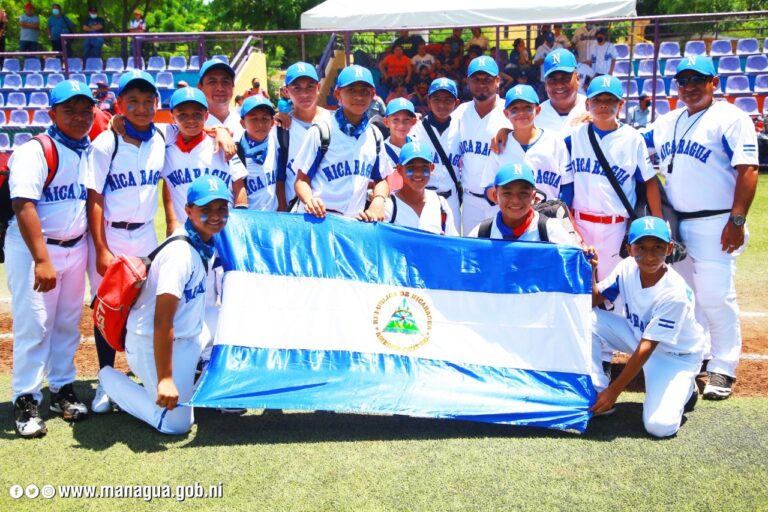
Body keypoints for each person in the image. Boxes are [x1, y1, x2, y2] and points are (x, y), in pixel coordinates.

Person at [642, 56, 759, 400]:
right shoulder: (667, 122)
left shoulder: (731, 118)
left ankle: (724, 366)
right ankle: (700, 353)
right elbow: (627, 140)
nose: (690, 86)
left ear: (714, 83)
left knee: (715, 296)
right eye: (683, 81)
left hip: (716, 221)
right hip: (678, 222)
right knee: (686, 297)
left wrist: (736, 220)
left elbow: (748, 169)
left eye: (698, 79)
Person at [99, 175, 230, 435]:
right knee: (176, 425)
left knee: (233, 321)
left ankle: (199, 374)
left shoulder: (205, 241)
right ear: (189, 211)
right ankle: (110, 379)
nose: (215, 216)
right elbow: (162, 321)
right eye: (206, 210)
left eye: (221, 208)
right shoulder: (180, 254)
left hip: (189, 333)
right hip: (152, 343)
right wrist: (166, 379)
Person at [7, 80, 95, 438]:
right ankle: (25, 397)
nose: (78, 116)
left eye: (84, 109)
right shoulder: (36, 150)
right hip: (34, 249)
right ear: (52, 114)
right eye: (69, 110)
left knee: (67, 323)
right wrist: (42, 260)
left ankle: (61, 388)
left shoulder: (87, 146)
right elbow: (23, 204)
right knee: (35, 325)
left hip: (76, 246)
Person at [86, 71, 167, 414]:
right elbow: (94, 196)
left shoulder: (162, 137)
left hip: (146, 232)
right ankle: (105, 380)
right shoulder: (108, 142)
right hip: (113, 233)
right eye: (132, 100)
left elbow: (199, 127)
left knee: (143, 306)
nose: (141, 107)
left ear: (156, 104)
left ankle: (137, 373)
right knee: (108, 306)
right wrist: (102, 248)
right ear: (119, 104)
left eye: (148, 101)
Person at [590, 216, 704, 438]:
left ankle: (687, 389)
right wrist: (592, 269)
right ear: (629, 249)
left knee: (659, 427)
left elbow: (647, 347)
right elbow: (594, 301)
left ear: (669, 248)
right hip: (638, 337)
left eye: (658, 247)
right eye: (641, 247)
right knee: (587, 319)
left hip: (675, 356)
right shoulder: (626, 268)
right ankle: (596, 388)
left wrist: (615, 392)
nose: (650, 256)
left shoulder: (675, 293)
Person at [561, 75, 661, 281]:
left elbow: (650, 181)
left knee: (612, 288)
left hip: (615, 227)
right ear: (587, 104)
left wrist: (657, 220)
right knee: (579, 285)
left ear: (621, 104)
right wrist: (507, 131)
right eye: (597, 100)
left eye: (610, 101)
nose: (603, 106)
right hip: (580, 225)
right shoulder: (576, 135)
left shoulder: (633, 138)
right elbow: (543, 144)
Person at [293, 65, 391, 221]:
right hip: (319, 219)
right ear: (338, 94)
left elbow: (382, 179)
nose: (359, 97)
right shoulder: (322, 130)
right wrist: (309, 200)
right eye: (351, 90)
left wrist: (378, 200)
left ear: (373, 95)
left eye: (364, 91)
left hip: (354, 222)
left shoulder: (374, 134)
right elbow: (301, 181)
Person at [481, 85, 569, 203]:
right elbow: (488, 186)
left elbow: (568, 185)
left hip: (549, 215)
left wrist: (560, 212)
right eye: (514, 109)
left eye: (527, 108)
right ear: (506, 114)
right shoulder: (500, 145)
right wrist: (510, 202)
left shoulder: (555, 140)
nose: (521, 113)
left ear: (537, 110)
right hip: (512, 217)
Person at [455, 56, 509, 234]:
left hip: (503, 202)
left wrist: (509, 130)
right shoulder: (461, 112)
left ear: (498, 81)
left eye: (487, 79)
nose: (481, 84)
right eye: (476, 79)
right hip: (470, 201)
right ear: (468, 82)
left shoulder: (510, 111)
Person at [468, 162, 581, 246]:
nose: (515, 200)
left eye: (523, 193)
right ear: (495, 196)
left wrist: (591, 263)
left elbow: (575, 266)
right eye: (507, 193)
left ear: (533, 197)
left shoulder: (549, 230)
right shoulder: (482, 232)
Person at [407, 78, 462, 232]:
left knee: (452, 245)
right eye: (436, 99)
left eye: (447, 100)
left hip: (452, 199)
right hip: (424, 197)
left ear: (456, 103)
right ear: (428, 100)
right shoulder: (415, 129)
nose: (442, 105)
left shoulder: (461, 128)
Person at [275, 61, 331, 210]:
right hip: (295, 213)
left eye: (310, 87)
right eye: (296, 88)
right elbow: (279, 178)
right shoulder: (281, 128)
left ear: (318, 88)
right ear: (287, 91)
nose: (304, 94)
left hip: (332, 212)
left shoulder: (333, 122)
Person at [384, 141, 458, 236]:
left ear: (432, 168)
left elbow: (452, 243)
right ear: (399, 169)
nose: (418, 173)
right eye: (411, 167)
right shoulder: (390, 206)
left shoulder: (441, 204)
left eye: (424, 167)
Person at [238, 96, 280, 211]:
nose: (260, 124)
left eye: (265, 119)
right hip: (249, 220)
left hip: (273, 217)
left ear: (272, 122)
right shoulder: (236, 149)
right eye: (254, 119)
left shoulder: (276, 140)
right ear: (242, 123)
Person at [197, 59, 243, 138]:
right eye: (212, 82)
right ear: (200, 87)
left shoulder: (245, 123)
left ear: (233, 87)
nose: (220, 88)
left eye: (225, 82)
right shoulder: (189, 126)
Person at [383, 98, 418, 192]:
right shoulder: (379, 151)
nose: (401, 125)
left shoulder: (418, 146)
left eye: (406, 120)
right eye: (395, 120)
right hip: (389, 204)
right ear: (386, 122)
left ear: (413, 122)